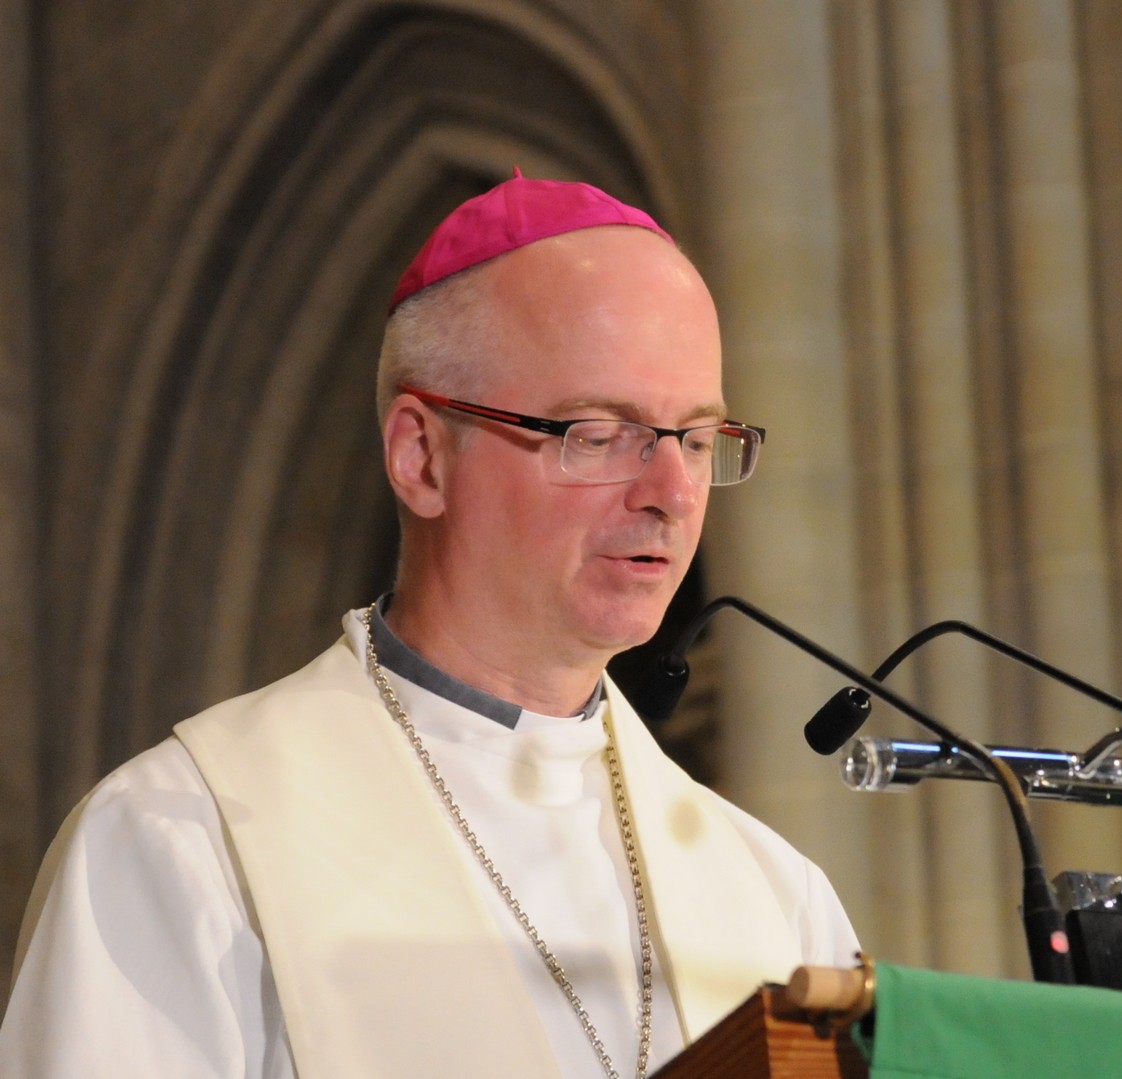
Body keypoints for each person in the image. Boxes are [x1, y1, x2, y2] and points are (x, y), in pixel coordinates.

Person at [0, 174, 859, 1078]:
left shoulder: (774, 899)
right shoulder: (185, 844)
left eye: (695, 437)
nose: (673, 495)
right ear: (420, 457)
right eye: (599, 434)